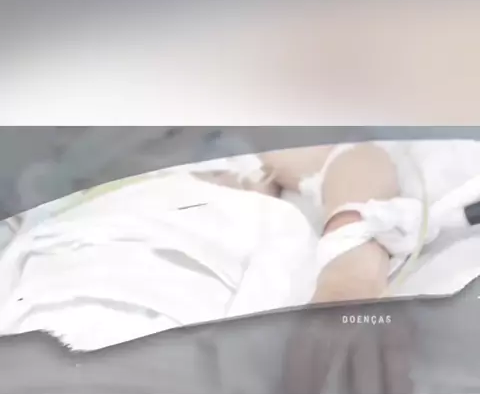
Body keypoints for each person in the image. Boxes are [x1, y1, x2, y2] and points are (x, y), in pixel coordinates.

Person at [0, 142, 400, 351]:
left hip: (193, 270)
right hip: (50, 282)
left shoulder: (229, 149)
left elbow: (355, 162)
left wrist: (349, 276)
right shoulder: (46, 179)